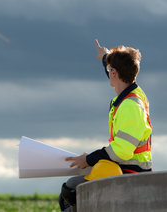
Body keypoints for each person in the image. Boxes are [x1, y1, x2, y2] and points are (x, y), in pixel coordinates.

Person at [58, 40, 152, 211]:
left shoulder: (131, 107)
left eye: (110, 70)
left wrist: (88, 159)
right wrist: (105, 56)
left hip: (132, 172)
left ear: (114, 73)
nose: (108, 73)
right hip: (120, 167)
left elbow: (121, 151)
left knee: (70, 190)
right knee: (68, 191)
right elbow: (115, 70)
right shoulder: (130, 90)